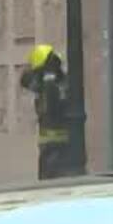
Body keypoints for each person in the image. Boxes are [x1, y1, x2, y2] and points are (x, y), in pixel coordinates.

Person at [21, 44, 71, 179]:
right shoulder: (61, 81)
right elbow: (25, 80)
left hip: (52, 143)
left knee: (49, 178)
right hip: (60, 142)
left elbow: (26, 80)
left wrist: (43, 73)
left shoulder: (48, 84)